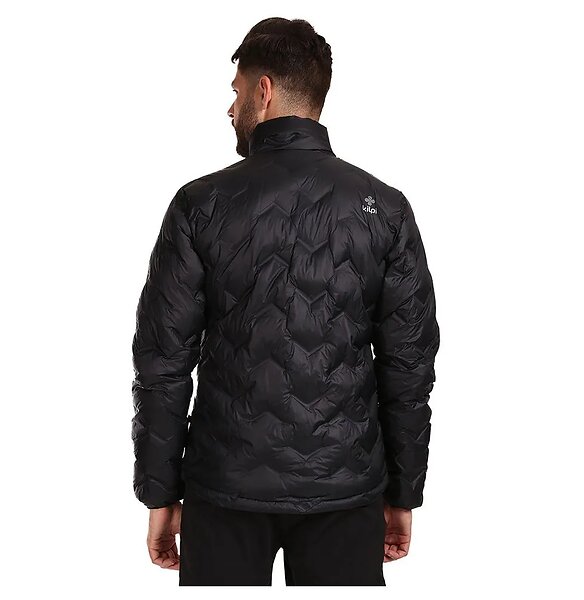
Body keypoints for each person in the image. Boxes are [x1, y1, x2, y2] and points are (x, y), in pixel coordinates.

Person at [130, 17, 440, 586]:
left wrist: (160, 493)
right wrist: (403, 493)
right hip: (346, 491)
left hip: (223, 490)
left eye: (236, 91)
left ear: (264, 90)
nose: (230, 108)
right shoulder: (386, 208)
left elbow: (163, 365)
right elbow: (409, 368)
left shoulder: (200, 205)